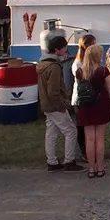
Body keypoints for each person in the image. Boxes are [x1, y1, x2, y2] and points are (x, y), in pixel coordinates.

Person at [37, 31, 81, 173]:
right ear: (57, 49)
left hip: (45, 104)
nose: (65, 50)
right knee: (70, 131)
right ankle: (69, 160)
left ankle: (52, 161)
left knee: (51, 132)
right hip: (55, 105)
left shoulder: (43, 64)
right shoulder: (54, 67)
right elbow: (53, 90)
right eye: (64, 48)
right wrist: (61, 105)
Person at [72, 43, 110, 178]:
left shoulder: (80, 72)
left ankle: (90, 169)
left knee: (89, 139)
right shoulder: (103, 71)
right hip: (100, 105)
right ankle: (100, 168)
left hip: (85, 106)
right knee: (99, 139)